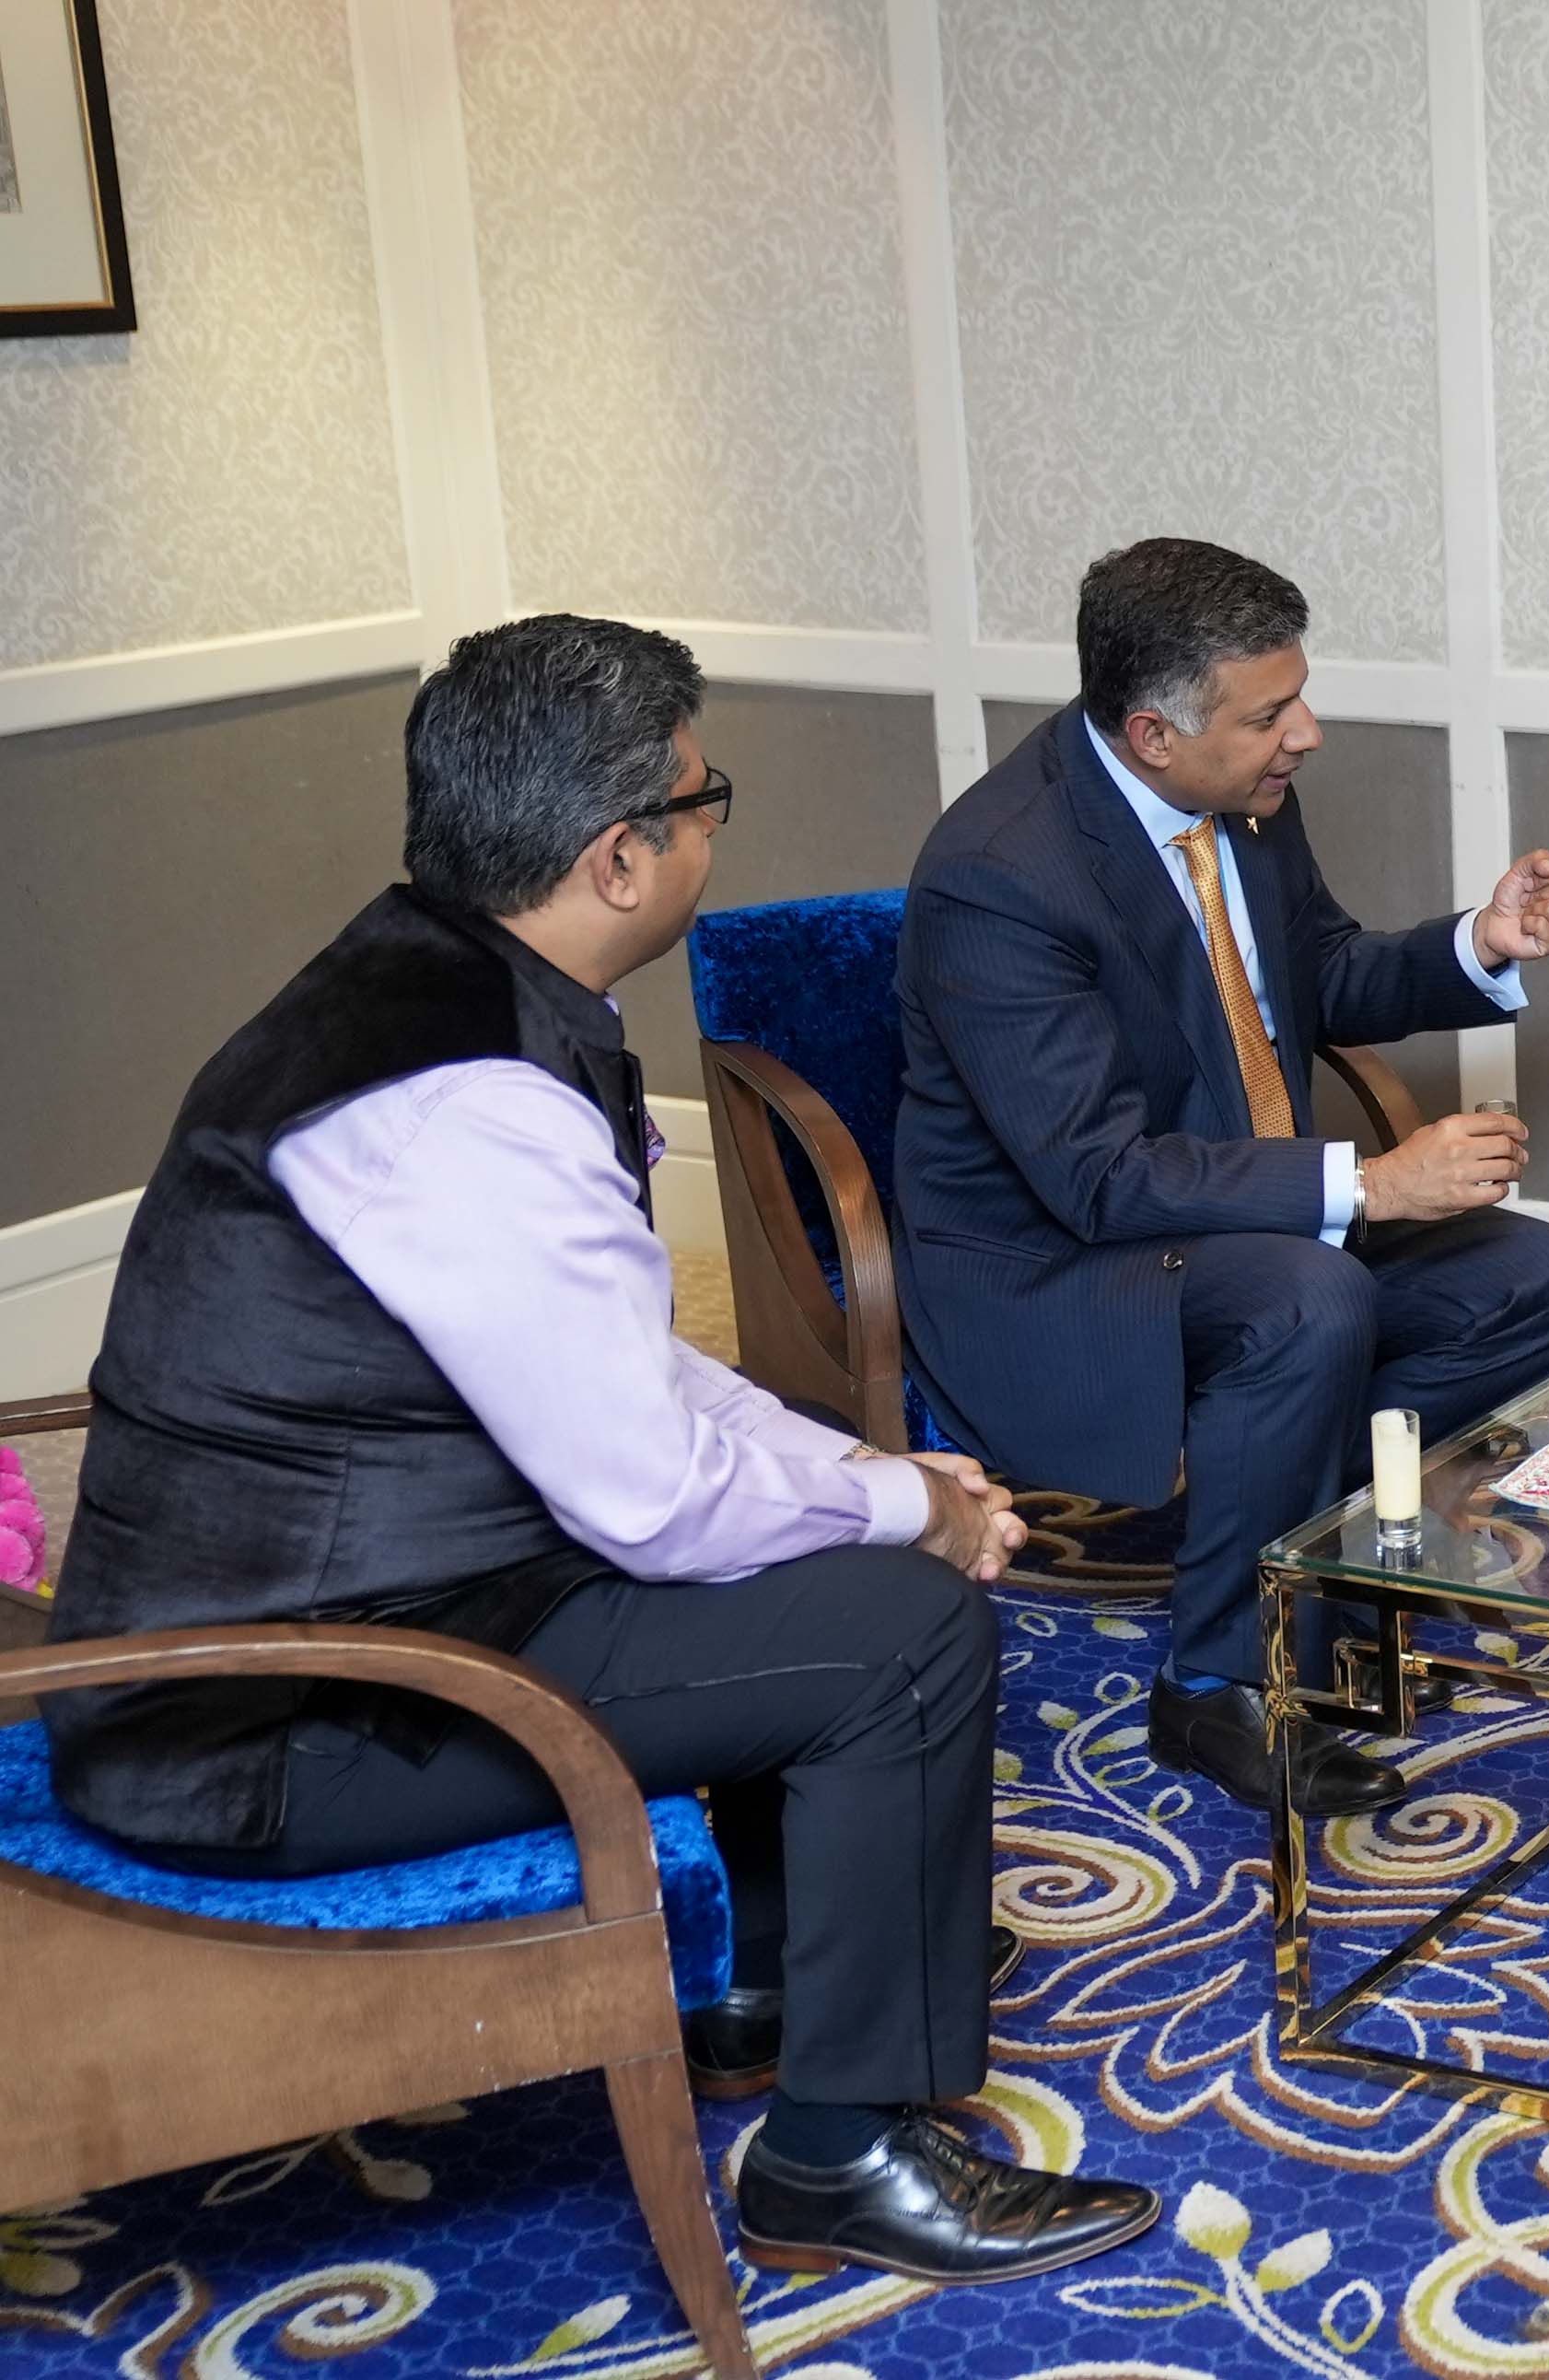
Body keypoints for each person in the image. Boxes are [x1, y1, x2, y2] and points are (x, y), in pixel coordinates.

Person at [46, 615, 1158, 2283]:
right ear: (619, 855)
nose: (719, 827)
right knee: (905, 1636)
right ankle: (843, 2158)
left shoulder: (437, 982)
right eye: (708, 799)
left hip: (387, 1607)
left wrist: (888, 1484)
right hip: (271, 1718)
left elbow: (625, 1366)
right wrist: (909, 1514)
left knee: (831, 1524)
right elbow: (651, 1498)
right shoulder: (466, 1099)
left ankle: (763, 1977)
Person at [895, 539, 1549, 1816]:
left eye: (1298, 698)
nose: (1306, 735)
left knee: (1542, 1279)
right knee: (1308, 1303)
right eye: (1271, 715)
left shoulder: (1242, 795)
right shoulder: (998, 874)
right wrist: (1372, 1187)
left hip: (1229, 1213)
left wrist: (1479, 941)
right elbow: (1097, 1177)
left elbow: (1314, 972)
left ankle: (1322, 1575)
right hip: (1056, 1267)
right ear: (1154, 734)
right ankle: (1220, 1681)